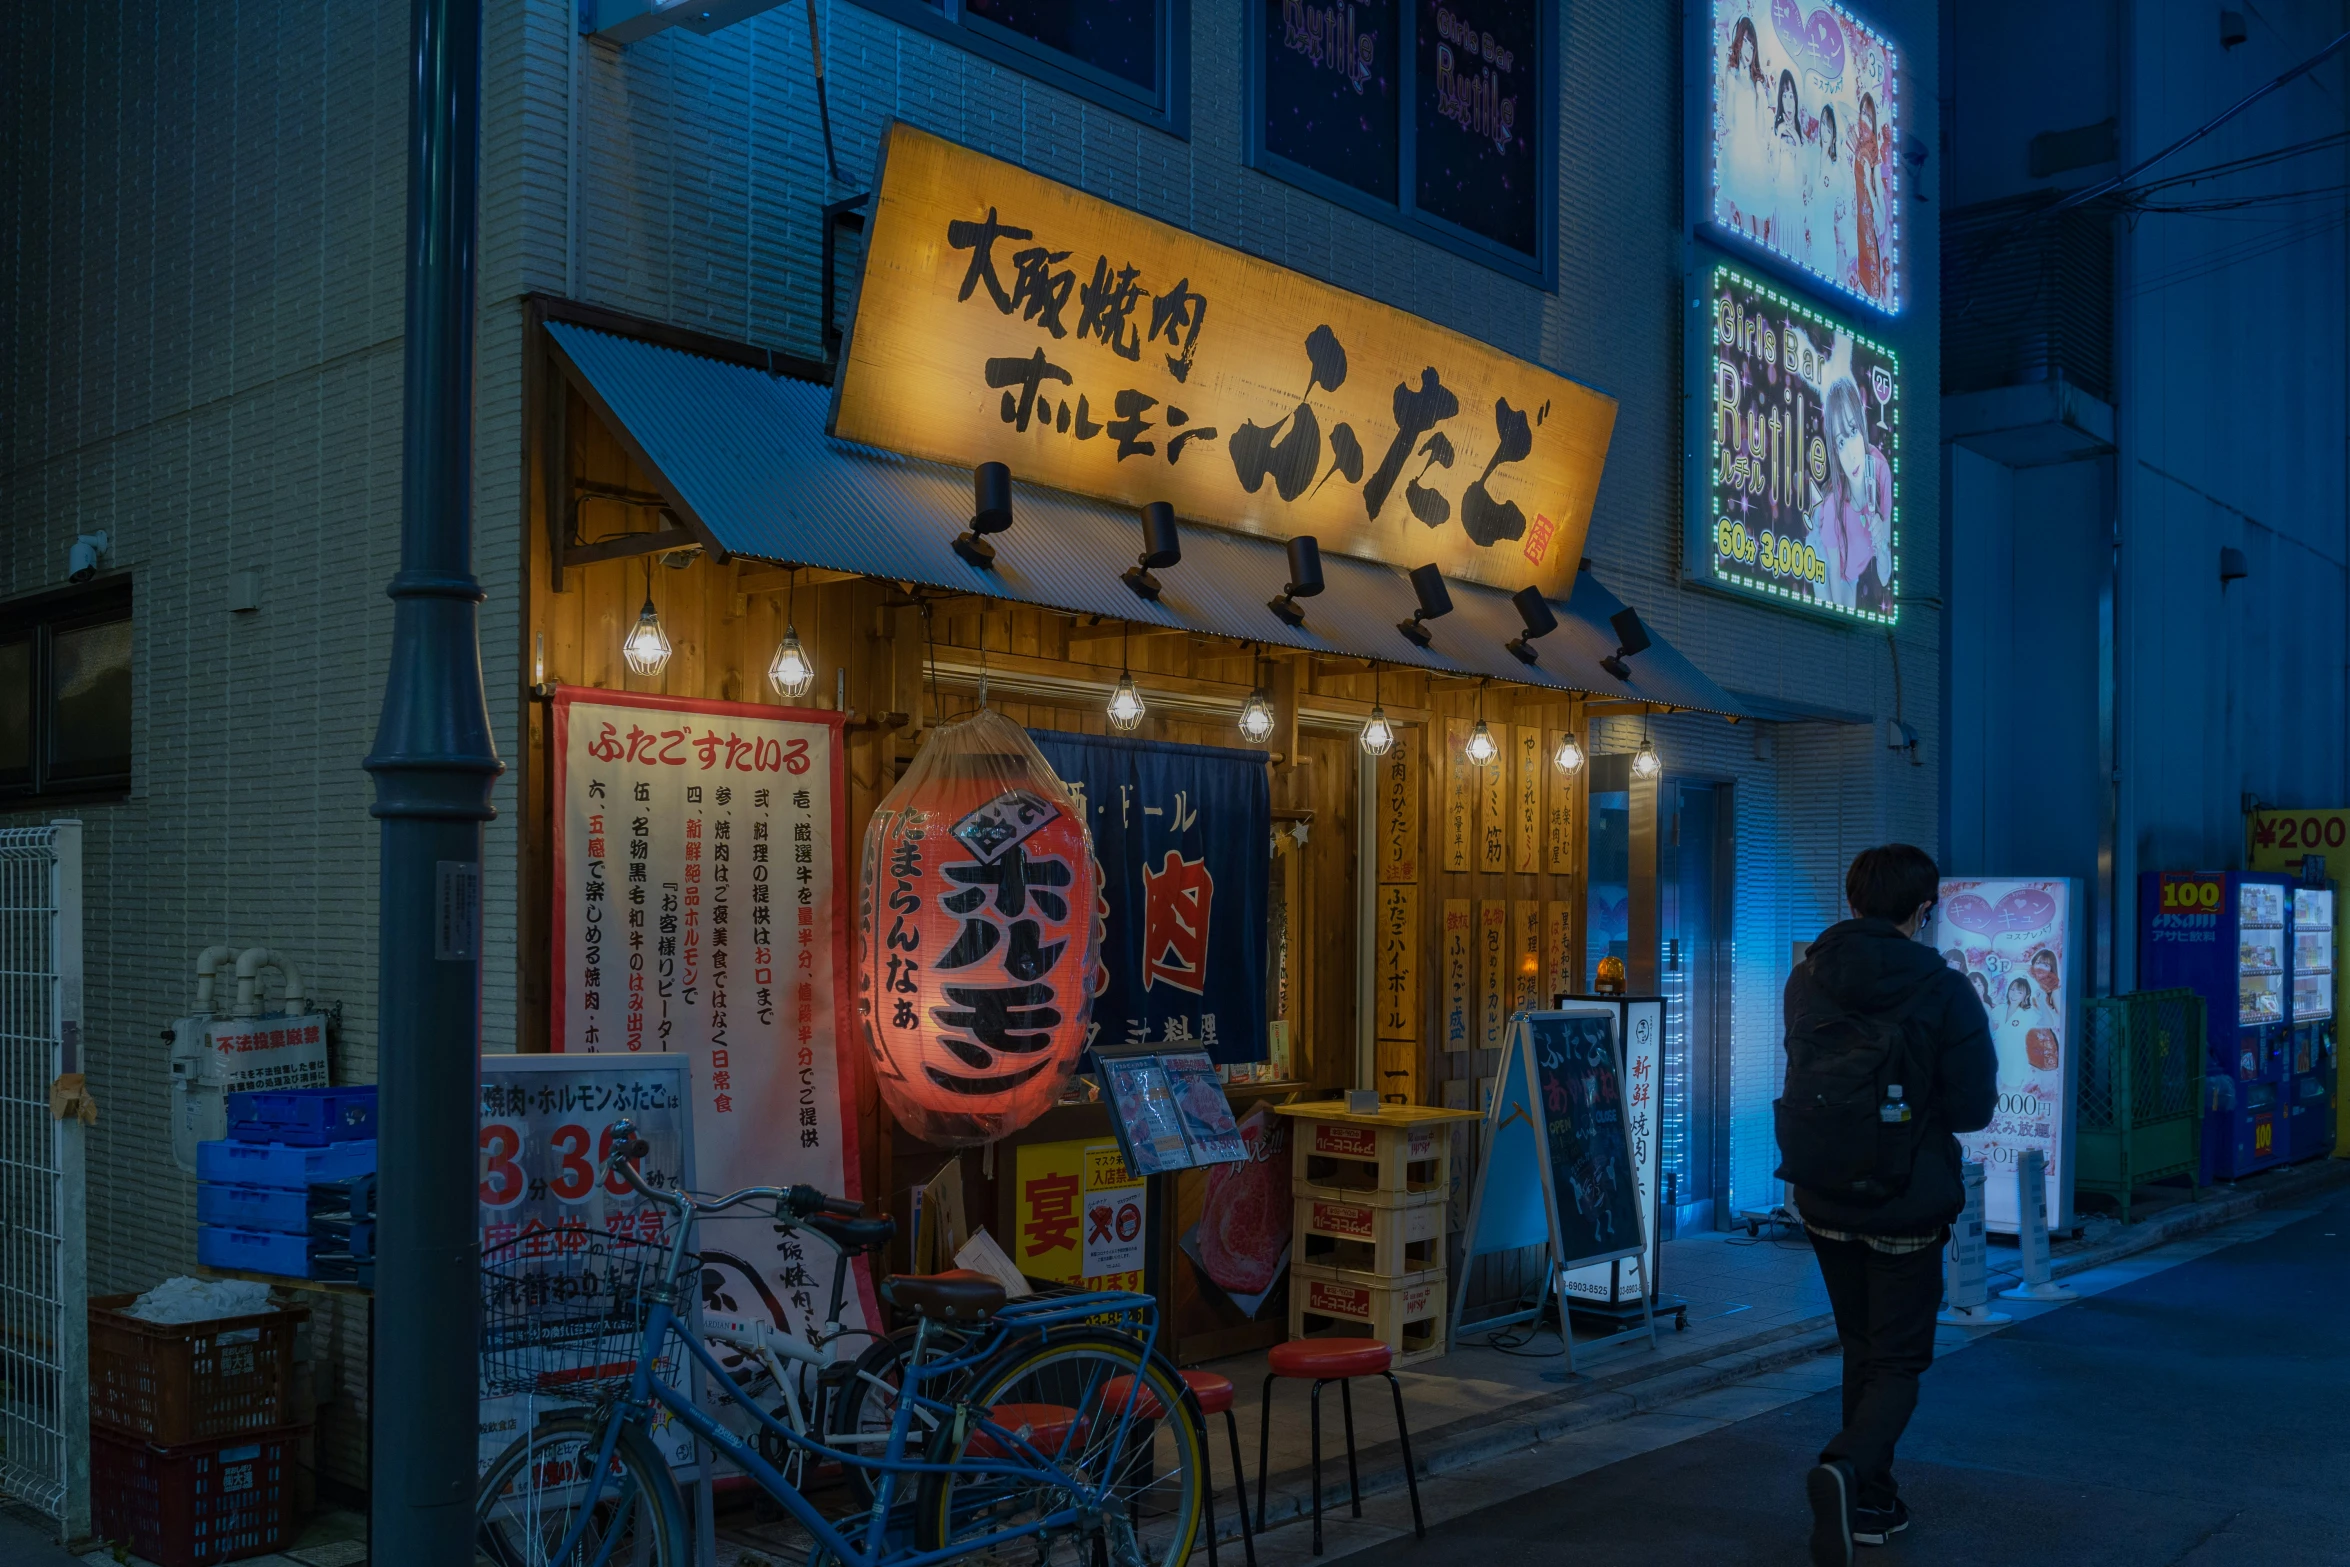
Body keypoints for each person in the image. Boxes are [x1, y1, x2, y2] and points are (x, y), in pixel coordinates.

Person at [1778, 844, 1996, 1564]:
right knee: (1898, 1361)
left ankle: (1869, 1499)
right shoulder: (1945, 989)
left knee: (1862, 1347)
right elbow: (1971, 1109)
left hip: (1823, 1195)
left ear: (1852, 900)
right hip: (1906, 1200)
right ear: (1923, 908)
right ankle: (1844, 1468)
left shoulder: (1806, 978)